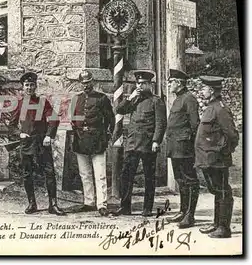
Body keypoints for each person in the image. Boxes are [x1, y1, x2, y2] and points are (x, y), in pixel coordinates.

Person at [10, 72, 65, 216]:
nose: (29, 88)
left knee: (49, 172)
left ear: (35, 86)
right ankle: (31, 203)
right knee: (27, 174)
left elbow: (54, 119)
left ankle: (53, 205)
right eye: (27, 85)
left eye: (32, 85)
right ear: (23, 87)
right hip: (27, 143)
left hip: (42, 143)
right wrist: (19, 134)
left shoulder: (42, 102)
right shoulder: (20, 104)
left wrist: (49, 136)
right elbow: (11, 125)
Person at [113, 70, 167, 217]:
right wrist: (130, 98)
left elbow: (161, 123)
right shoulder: (134, 99)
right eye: (138, 83)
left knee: (149, 177)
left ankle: (147, 208)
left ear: (150, 84)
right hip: (132, 143)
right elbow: (119, 110)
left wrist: (156, 141)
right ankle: (125, 207)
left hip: (148, 144)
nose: (140, 86)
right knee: (126, 175)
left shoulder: (156, 101)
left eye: (143, 83)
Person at [195, 75, 239, 238]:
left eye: (204, 88)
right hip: (209, 159)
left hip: (217, 160)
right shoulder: (211, 107)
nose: (201, 91)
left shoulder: (220, 109)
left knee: (222, 191)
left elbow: (232, 135)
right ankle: (216, 223)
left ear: (211, 91)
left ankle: (224, 227)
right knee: (216, 191)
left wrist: (222, 151)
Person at [71, 70, 114, 217]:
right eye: (83, 83)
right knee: (85, 174)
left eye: (88, 82)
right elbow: (73, 120)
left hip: (97, 140)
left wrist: (107, 136)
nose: (86, 85)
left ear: (92, 82)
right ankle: (89, 202)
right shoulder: (76, 99)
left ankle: (102, 204)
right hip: (80, 139)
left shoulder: (102, 98)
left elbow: (110, 119)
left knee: (100, 174)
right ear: (80, 84)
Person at [166, 69, 200, 228]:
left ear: (179, 83)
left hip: (184, 147)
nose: (169, 84)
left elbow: (195, 125)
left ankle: (190, 215)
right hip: (175, 147)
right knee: (180, 180)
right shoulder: (179, 98)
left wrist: (192, 146)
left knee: (190, 180)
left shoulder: (189, 99)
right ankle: (182, 211)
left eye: (171, 81)